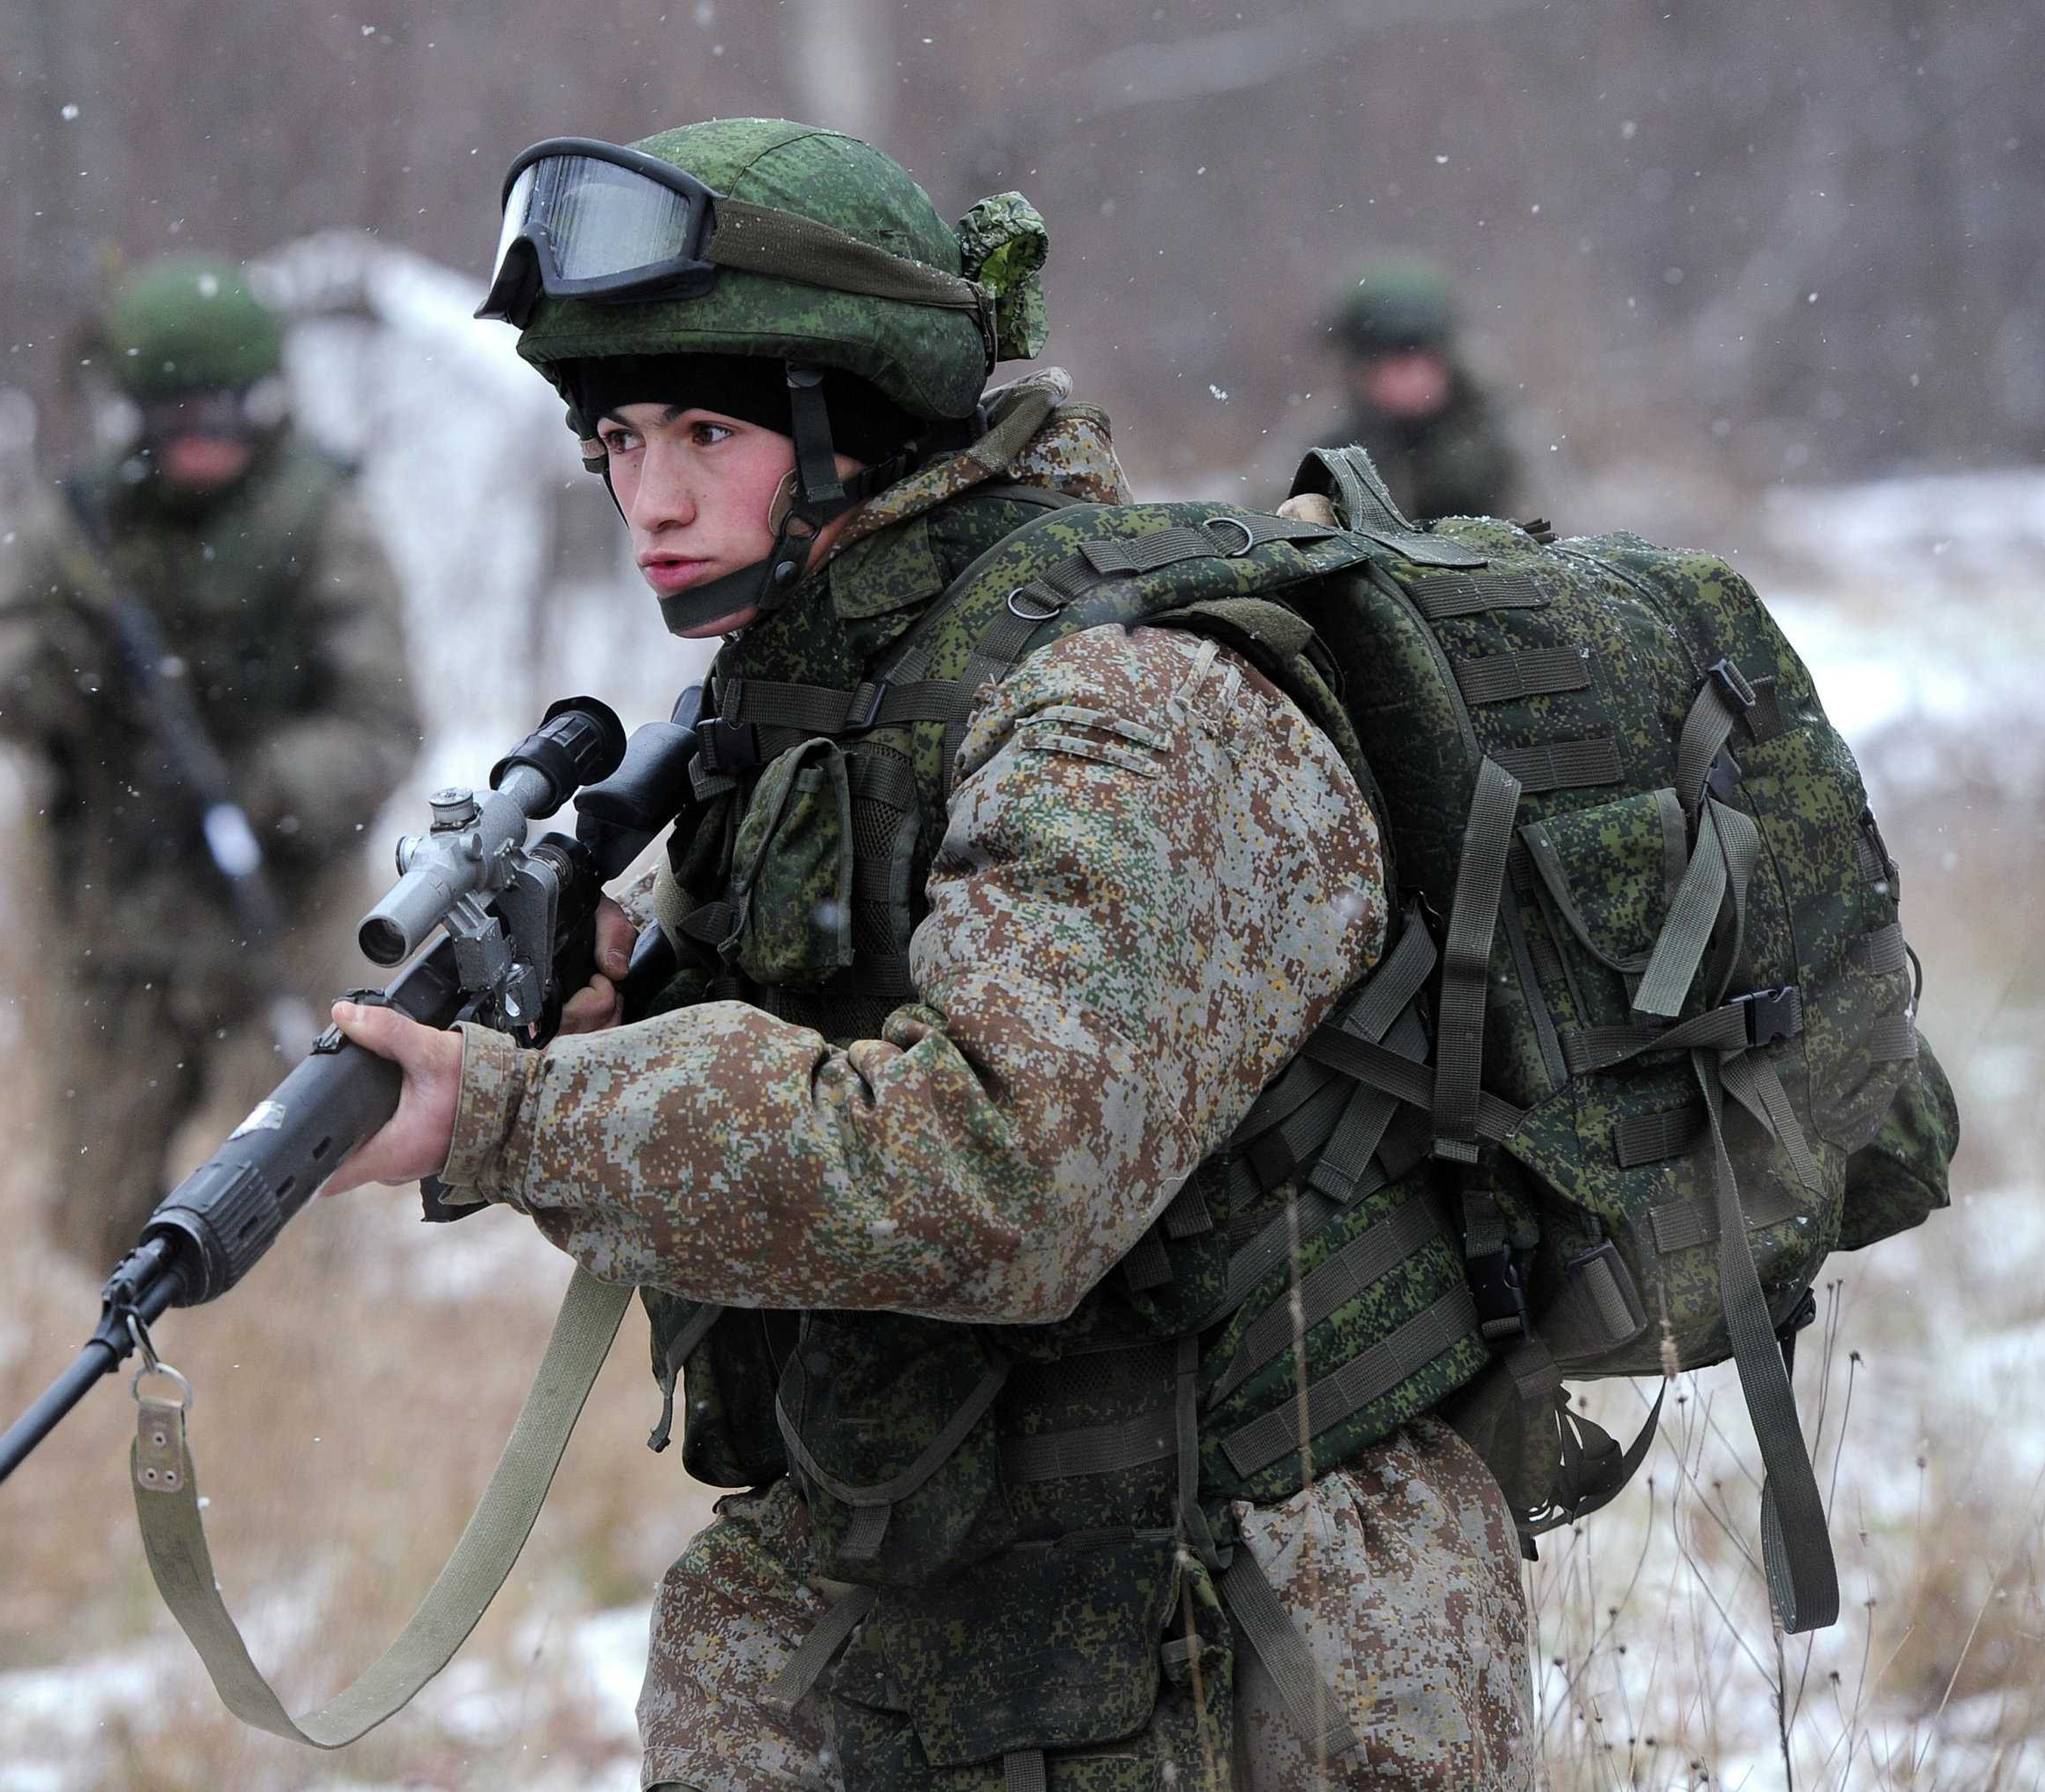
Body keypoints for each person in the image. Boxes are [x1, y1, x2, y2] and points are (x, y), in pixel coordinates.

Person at [324, 123, 1532, 1788]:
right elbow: (878, 1049)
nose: (649, 495)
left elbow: (995, 1172)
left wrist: (529, 1118)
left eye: (706, 430)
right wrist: (640, 1010)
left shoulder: (1127, 704)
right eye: (616, 436)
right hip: (932, 1588)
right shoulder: (827, 695)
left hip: (1241, 1634)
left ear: (859, 432)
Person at [0, 254, 420, 1271]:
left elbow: (381, 722)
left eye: (221, 414)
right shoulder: (87, 529)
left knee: (287, 1203)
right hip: (117, 924)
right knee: (94, 1214)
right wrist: (67, 668)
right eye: (174, 418)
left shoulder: (318, 522)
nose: (199, 444)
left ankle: (282, 1398)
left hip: (274, 921)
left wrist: (258, 790)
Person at [1318, 259, 1520, 521]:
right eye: (1388, 357)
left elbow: (1554, 531)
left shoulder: (1496, 436)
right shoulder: (1333, 443)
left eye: (1415, 352)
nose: (1408, 375)